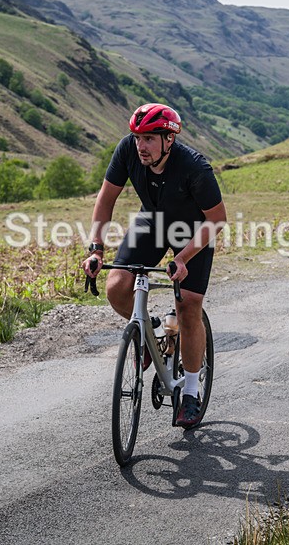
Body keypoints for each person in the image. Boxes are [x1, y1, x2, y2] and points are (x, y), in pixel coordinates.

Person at [82, 103, 227, 429]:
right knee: (117, 286)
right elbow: (106, 199)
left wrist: (183, 258)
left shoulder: (194, 167)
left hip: (194, 230)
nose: (140, 146)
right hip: (153, 221)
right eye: (137, 137)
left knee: (188, 305)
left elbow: (217, 219)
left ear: (168, 139)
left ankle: (190, 392)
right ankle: (154, 332)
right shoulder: (127, 151)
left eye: (148, 138)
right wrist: (96, 249)